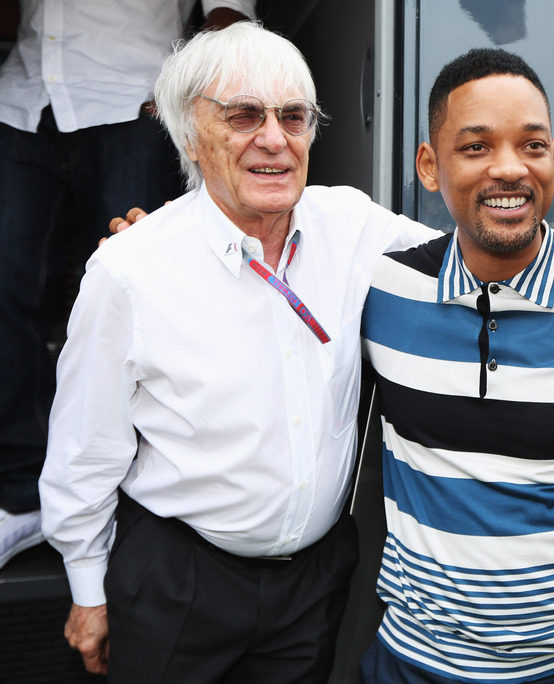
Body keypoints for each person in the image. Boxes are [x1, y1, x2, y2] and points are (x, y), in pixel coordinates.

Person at [39, 21, 437, 682]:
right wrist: (86, 589)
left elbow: (473, 265)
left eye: (293, 117)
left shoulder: (354, 228)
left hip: (312, 586)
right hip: (177, 582)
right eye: (244, 116)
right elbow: (87, 445)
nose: (275, 140)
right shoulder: (131, 269)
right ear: (190, 135)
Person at [357, 48, 554, 683]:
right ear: (429, 167)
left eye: (530, 146)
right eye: (475, 148)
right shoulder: (379, 291)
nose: (508, 169)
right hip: (419, 663)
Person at [0, 0, 255, 570]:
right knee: (7, 294)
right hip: (23, 101)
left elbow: (230, 15)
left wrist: (191, 93)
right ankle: (21, 496)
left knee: (145, 305)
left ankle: (138, 502)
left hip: (136, 104)